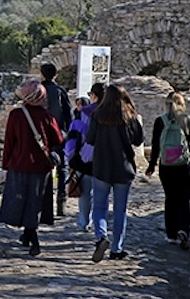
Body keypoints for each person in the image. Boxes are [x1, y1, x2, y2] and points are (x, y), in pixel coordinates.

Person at [0, 80, 64, 256]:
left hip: (19, 165)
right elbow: (58, 141)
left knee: (20, 201)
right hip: (41, 167)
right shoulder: (47, 116)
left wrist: (5, 166)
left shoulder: (16, 115)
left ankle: (34, 240)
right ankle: (27, 235)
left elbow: (9, 144)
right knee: (34, 202)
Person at [86, 84, 144, 262]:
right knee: (120, 209)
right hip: (123, 167)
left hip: (102, 167)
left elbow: (90, 139)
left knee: (99, 206)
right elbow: (138, 139)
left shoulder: (98, 115)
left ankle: (101, 237)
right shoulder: (130, 116)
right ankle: (117, 248)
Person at [145, 91, 190, 250]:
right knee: (184, 200)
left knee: (170, 199)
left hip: (166, 167)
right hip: (184, 166)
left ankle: (171, 234)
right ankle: (183, 229)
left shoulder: (160, 121)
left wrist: (151, 165)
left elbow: (155, 146)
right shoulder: (188, 120)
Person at [64, 83, 105, 233]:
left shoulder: (85, 113)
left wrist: (71, 156)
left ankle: (83, 222)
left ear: (93, 96)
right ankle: (100, 225)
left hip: (85, 157)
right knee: (101, 195)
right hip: (106, 159)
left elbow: (74, 134)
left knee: (85, 193)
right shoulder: (112, 112)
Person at [40, 63, 73, 218]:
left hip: (41, 135)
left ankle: (41, 202)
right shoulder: (60, 91)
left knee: (41, 169)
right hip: (59, 133)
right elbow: (68, 115)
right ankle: (61, 203)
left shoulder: (38, 91)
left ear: (42, 74)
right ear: (56, 75)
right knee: (62, 169)